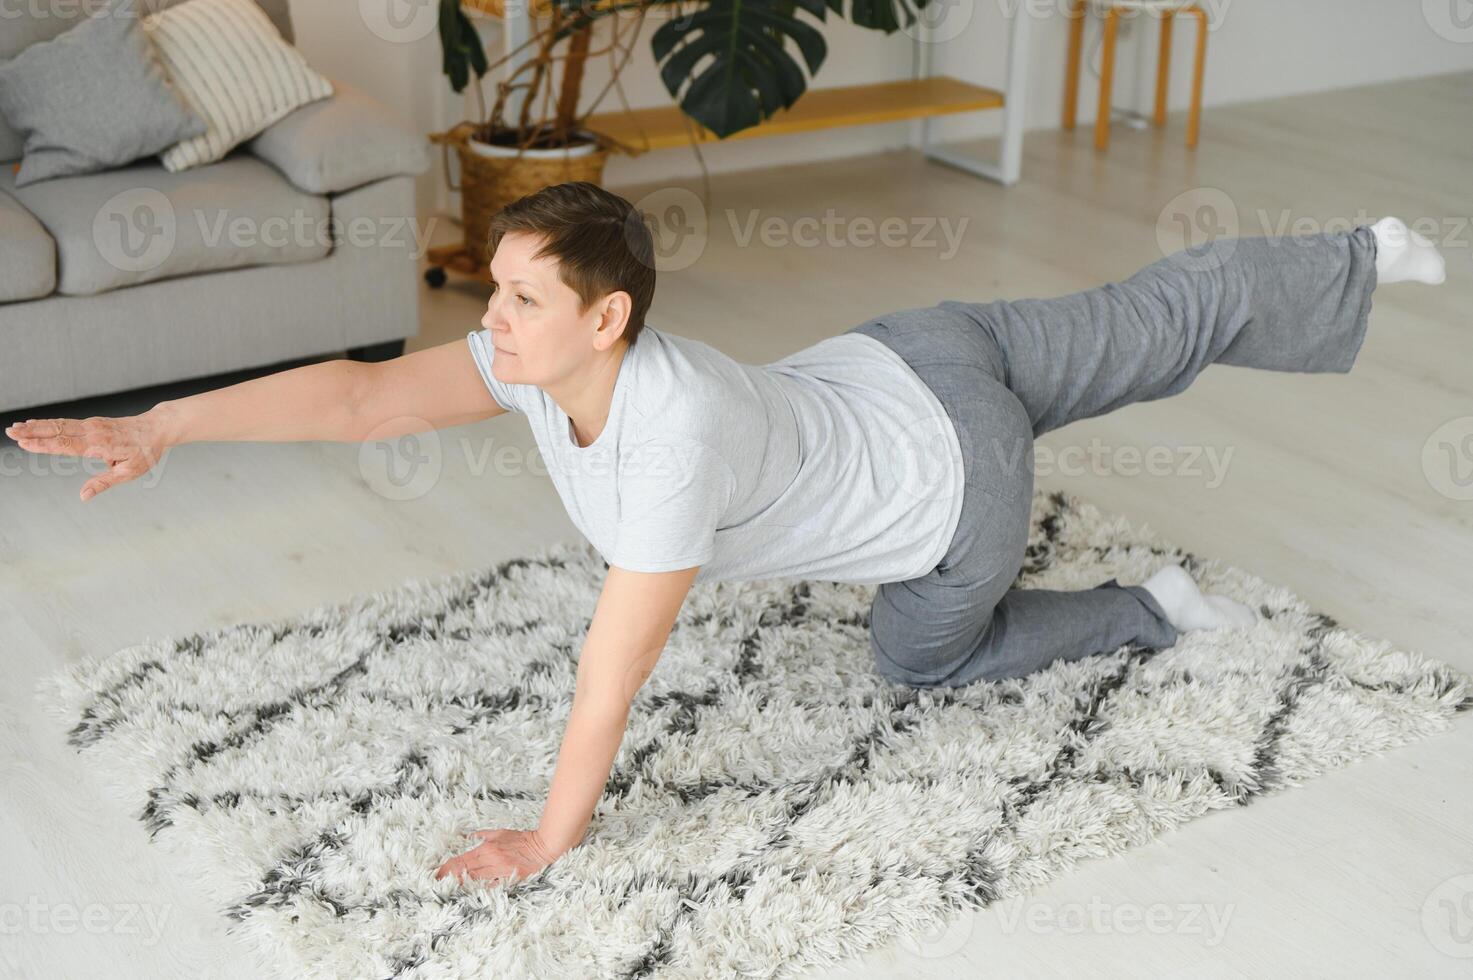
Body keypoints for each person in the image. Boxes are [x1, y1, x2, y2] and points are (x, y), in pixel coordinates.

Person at [4, 182, 1446, 886]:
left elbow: (612, 670)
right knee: (1147, 323)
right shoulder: (550, 364)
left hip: (960, 484)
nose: (487, 322)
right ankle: (1356, 256)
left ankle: (1152, 607)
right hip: (915, 351)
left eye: (514, 298)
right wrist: (164, 427)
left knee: (923, 664)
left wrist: (551, 839)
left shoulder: (666, 446)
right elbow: (369, 399)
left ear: (604, 319)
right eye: (493, 290)